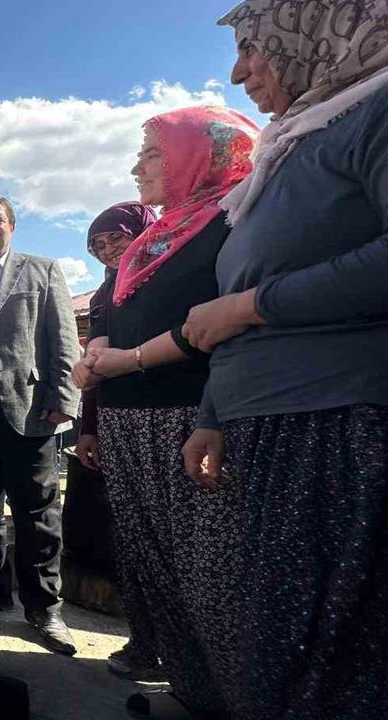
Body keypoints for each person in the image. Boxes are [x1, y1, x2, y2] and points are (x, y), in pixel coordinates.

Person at [180, 4, 388, 718]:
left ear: (314, 34)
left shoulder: (376, 113)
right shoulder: (297, 141)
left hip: (335, 422)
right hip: (261, 423)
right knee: (268, 641)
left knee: (327, 657)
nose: (239, 72)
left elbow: (249, 300)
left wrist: (250, 308)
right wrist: (214, 416)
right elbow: (238, 290)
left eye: (254, 50)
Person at [72, 105, 258, 718]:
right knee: (152, 564)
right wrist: (99, 351)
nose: (136, 166)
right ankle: (188, 686)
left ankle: (236, 697)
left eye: (151, 153)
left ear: (196, 155)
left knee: (210, 571)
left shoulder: (234, 219)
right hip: (128, 421)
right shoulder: (154, 239)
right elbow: (111, 316)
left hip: (192, 418)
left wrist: (126, 361)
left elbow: (218, 322)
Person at [0, 195, 81, 656]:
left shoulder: (41, 268)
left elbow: (64, 336)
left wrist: (64, 396)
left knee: (36, 512)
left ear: (12, 226)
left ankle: (44, 607)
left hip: (28, 407)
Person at [74, 202, 157, 474]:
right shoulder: (103, 295)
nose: (108, 250)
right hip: (116, 417)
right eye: (98, 245)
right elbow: (94, 364)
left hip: (171, 412)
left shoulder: (167, 278)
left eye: (115, 237)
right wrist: (88, 428)